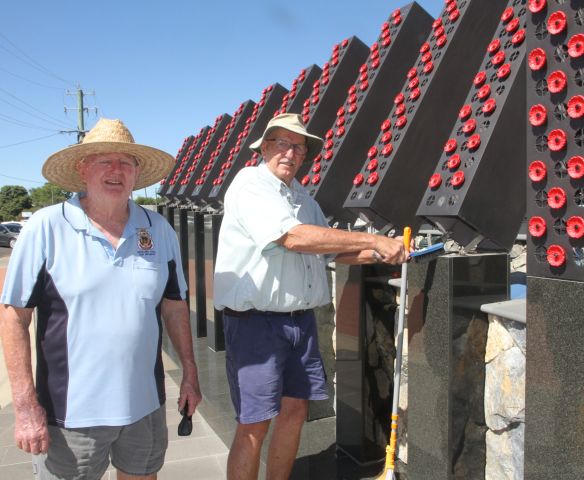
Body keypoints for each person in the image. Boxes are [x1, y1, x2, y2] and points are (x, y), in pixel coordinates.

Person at [0, 118, 202, 480]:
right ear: (82, 169)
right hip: (70, 415)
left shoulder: (159, 230)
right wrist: (26, 406)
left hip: (145, 408)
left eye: (126, 162)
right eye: (103, 161)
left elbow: (174, 308)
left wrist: (190, 371)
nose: (116, 170)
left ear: (137, 172)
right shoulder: (45, 227)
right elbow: (14, 317)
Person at [214, 113, 409, 480]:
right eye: (281, 144)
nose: (289, 153)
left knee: (294, 413)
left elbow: (328, 249)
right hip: (256, 324)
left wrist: (385, 251)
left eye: (298, 147)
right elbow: (293, 238)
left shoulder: (301, 196)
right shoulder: (250, 185)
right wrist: (371, 239)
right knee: (254, 425)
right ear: (264, 148)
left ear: (306, 155)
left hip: (299, 324)